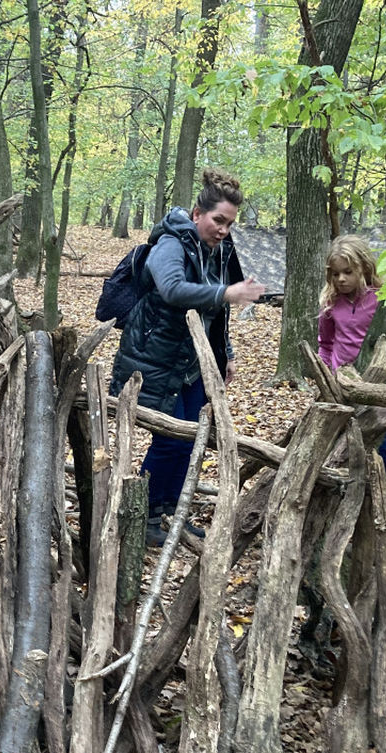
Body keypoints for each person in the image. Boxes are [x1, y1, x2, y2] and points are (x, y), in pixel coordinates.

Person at [110, 168, 265, 545]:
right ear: (197, 214)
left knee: (194, 438)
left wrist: (224, 353)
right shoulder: (171, 244)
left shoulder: (219, 251)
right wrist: (226, 293)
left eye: (229, 223)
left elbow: (217, 314)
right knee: (170, 439)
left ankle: (167, 513)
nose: (223, 229)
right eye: (218, 220)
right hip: (155, 359)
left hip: (194, 362)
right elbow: (173, 289)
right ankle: (143, 516)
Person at [317, 234, 386, 494]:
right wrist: (325, 375)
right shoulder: (331, 304)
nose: (341, 279)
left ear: (364, 269)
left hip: (378, 384)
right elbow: (326, 343)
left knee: (380, 443)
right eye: (335, 274)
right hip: (343, 384)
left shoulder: (384, 299)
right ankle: (341, 493)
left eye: (347, 272)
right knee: (341, 441)